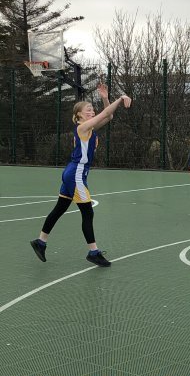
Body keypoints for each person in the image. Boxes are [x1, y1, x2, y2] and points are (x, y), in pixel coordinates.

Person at [30, 81, 132, 267]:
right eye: (88, 110)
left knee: (60, 208)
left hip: (74, 172)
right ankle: (93, 252)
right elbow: (106, 114)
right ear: (79, 115)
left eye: (93, 109)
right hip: (76, 173)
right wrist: (120, 99)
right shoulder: (82, 128)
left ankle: (40, 242)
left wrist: (105, 98)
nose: (92, 112)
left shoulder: (90, 129)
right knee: (87, 212)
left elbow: (108, 116)